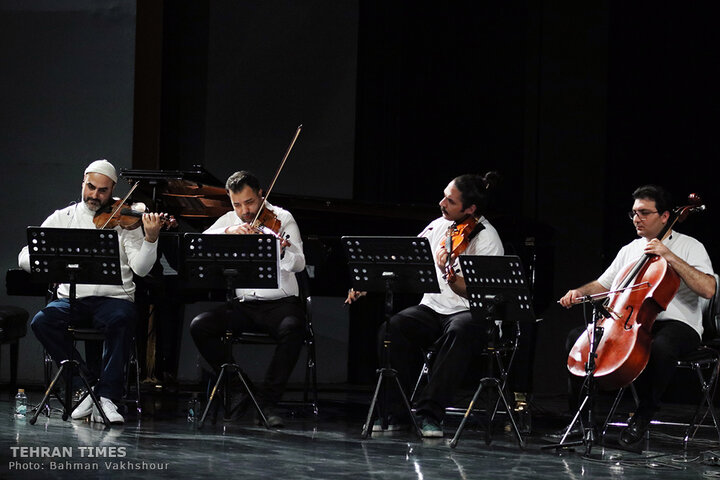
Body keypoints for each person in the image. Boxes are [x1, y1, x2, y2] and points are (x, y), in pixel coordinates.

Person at [347, 172, 504, 437]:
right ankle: (395, 413)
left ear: (470, 208)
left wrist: (449, 273)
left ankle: (430, 413)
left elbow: (483, 294)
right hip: (433, 308)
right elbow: (406, 258)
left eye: (450, 201)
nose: (442, 203)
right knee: (393, 328)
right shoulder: (438, 226)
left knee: (460, 330)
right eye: (444, 196)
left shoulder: (486, 238)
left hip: (471, 313)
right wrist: (369, 281)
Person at [559, 184, 715, 448]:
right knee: (578, 340)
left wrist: (669, 256)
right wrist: (579, 292)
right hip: (630, 321)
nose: (636, 218)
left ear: (665, 216)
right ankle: (585, 421)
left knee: (661, 347)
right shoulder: (630, 249)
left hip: (678, 325)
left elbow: (708, 289)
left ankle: (644, 415)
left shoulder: (690, 246)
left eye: (644, 212)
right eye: (633, 213)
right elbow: (604, 285)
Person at [18, 159, 163, 424]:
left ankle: (107, 397)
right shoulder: (63, 217)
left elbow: (141, 269)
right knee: (42, 322)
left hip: (114, 300)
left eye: (103, 190)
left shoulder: (126, 220)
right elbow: (26, 255)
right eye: (91, 187)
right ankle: (88, 386)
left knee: (123, 318)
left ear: (112, 190)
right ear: (83, 183)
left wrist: (150, 239)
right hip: (72, 300)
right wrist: (51, 267)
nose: (95, 195)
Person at [189, 170, 306, 428]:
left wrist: (281, 251)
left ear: (261, 194)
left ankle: (267, 402)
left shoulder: (282, 218)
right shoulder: (231, 219)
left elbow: (299, 264)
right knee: (200, 325)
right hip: (243, 305)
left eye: (250, 202)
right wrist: (229, 230)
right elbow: (200, 241)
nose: (245, 211)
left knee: (294, 328)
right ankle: (241, 387)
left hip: (281, 304)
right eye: (237, 204)